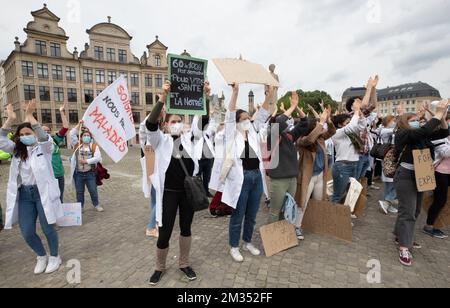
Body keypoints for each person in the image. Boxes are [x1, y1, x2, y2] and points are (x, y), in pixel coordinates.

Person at [142, 80, 207, 285]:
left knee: (186, 228)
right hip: (168, 193)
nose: (177, 123)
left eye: (180, 120)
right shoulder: (160, 140)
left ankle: (184, 263)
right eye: (173, 121)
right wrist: (162, 97)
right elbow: (150, 124)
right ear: (166, 125)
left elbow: (202, 123)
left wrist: (204, 97)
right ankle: (159, 267)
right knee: (165, 231)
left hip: (187, 193)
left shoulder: (190, 139)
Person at [0, 101, 63, 274]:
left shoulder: (45, 147)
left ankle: (55, 256)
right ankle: (41, 255)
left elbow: (44, 136)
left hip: (42, 194)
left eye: (28, 133)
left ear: (34, 134)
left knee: (48, 227)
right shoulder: (16, 150)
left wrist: (30, 116)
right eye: (21, 134)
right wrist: (10, 120)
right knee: (27, 231)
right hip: (25, 196)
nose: (24, 136)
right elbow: (0, 139)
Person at [394, 100, 450, 267]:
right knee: (408, 212)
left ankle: (402, 235)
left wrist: (442, 116)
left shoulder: (423, 136)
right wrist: (438, 112)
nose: (417, 121)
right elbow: (424, 130)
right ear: (405, 122)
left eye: (418, 119)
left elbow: (444, 132)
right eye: (413, 119)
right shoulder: (403, 134)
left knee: (415, 210)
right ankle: (404, 246)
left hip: (422, 173)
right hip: (406, 175)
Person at [222, 84, 271, 263]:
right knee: (238, 214)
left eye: (247, 118)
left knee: (252, 213)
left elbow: (264, 113)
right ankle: (234, 246)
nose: (246, 121)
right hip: (241, 179)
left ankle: (247, 242)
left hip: (256, 177)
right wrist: (235, 92)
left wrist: (270, 93)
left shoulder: (252, 133)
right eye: (242, 119)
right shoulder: (231, 135)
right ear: (236, 122)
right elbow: (228, 115)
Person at [266, 91, 309, 226]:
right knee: (275, 210)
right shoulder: (272, 137)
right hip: (278, 180)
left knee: (288, 208)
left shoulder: (289, 136)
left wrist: (297, 108)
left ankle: (283, 236)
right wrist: (291, 107)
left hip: (291, 179)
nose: (289, 125)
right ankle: (272, 239)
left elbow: (304, 124)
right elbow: (279, 121)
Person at [295, 107, 336, 240]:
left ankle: (313, 222)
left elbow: (332, 131)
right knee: (303, 202)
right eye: (317, 126)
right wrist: (321, 122)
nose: (321, 128)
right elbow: (310, 140)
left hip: (319, 175)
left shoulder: (320, 138)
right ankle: (297, 226)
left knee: (318, 200)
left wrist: (328, 120)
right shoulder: (302, 140)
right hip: (308, 177)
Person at [331, 100, 367, 204]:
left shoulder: (351, 133)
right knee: (338, 195)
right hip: (342, 166)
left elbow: (362, 126)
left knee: (350, 194)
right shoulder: (337, 133)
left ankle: (344, 217)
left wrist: (360, 114)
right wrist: (355, 111)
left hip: (354, 165)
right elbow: (352, 127)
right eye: (347, 122)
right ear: (339, 124)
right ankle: (332, 218)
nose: (350, 123)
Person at [424, 113, 450, 239]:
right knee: (440, 200)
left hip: (448, 173)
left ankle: (438, 223)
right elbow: (445, 153)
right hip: (440, 172)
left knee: (444, 200)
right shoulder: (439, 137)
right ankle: (429, 226)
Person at [69, 122, 104, 212]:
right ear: (81, 137)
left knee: (93, 190)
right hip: (78, 174)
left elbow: (97, 158)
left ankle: (96, 204)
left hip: (90, 173)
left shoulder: (94, 146)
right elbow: (72, 133)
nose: (86, 137)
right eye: (84, 135)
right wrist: (79, 125)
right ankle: (80, 207)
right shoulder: (77, 145)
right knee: (79, 192)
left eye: (88, 135)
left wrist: (86, 161)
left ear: (90, 137)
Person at [42, 102, 69, 203]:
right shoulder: (37, 144)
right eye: (43, 131)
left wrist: (62, 112)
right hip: (47, 176)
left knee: (59, 196)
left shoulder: (55, 140)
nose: (46, 132)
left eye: (48, 131)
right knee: (48, 198)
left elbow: (65, 127)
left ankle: (59, 215)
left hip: (59, 174)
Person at [378, 115, 399, 214]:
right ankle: (387, 201)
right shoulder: (384, 131)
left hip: (390, 159)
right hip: (389, 160)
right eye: (393, 120)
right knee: (394, 182)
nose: (394, 122)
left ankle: (388, 204)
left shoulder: (389, 130)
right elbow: (396, 130)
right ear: (388, 122)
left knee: (390, 184)